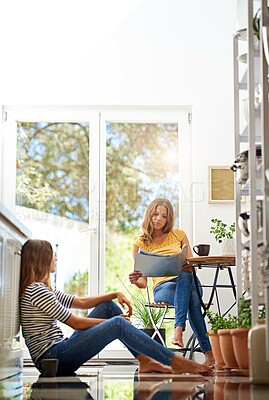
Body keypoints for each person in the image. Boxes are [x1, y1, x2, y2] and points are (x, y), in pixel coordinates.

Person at [19, 239, 212, 377]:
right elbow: (76, 323)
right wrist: (112, 323)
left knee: (107, 307)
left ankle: (144, 360)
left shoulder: (43, 289)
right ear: (42, 259)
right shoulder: (36, 291)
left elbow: (82, 302)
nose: (56, 259)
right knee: (117, 323)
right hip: (53, 359)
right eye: (52, 255)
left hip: (57, 354)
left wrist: (114, 294)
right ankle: (173, 360)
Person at [128, 198, 214, 368]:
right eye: (155, 214)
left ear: (169, 219)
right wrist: (134, 279)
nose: (158, 218)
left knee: (185, 274)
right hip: (163, 288)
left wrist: (190, 264)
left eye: (164, 216)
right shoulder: (140, 243)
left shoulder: (179, 235)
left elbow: (191, 262)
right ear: (149, 215)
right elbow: (143, 282)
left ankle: (178, 329)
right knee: (193, 300)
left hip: (187, 281)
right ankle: (208, 354)